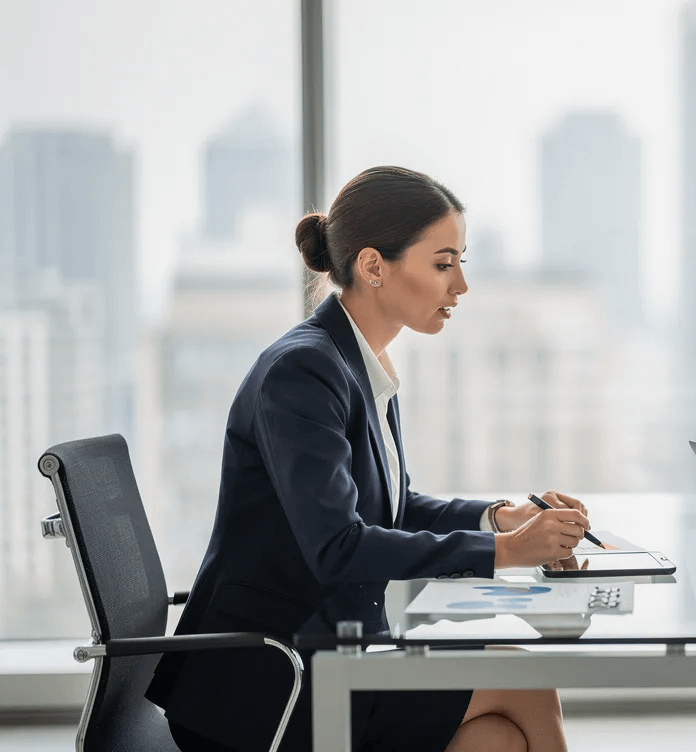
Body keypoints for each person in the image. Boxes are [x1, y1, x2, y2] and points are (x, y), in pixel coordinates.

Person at [146, 166, 585, 752]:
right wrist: (507, 553)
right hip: (267, 686)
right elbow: (339, 546)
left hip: (328, 653)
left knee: (496, 739)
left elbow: (394, 508)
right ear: (374, 266)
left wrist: (500, 518)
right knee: (522, 679)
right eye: (442, 263)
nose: (461, 286)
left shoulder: (356, 363)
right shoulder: (302, 373)